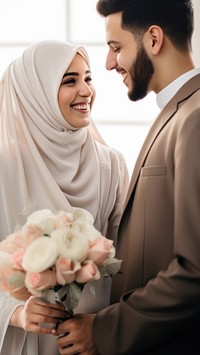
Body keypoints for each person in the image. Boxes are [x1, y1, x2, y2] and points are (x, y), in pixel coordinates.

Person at [56, 0, 200, 354]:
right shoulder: (179, 112)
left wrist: (104, 329)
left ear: (153, 39)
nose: (108, 64)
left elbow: (196, 269)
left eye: (116, 47)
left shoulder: (194, 119)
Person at [0, 39, 129, 355]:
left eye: (87, 78)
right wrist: (15, 312)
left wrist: (103, 327)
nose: (86, 91)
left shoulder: (110, 164)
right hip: (26, 342)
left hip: (92, 340)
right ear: (36, 93)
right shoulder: (4, 167)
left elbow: (129, 262)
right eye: (69, 81)